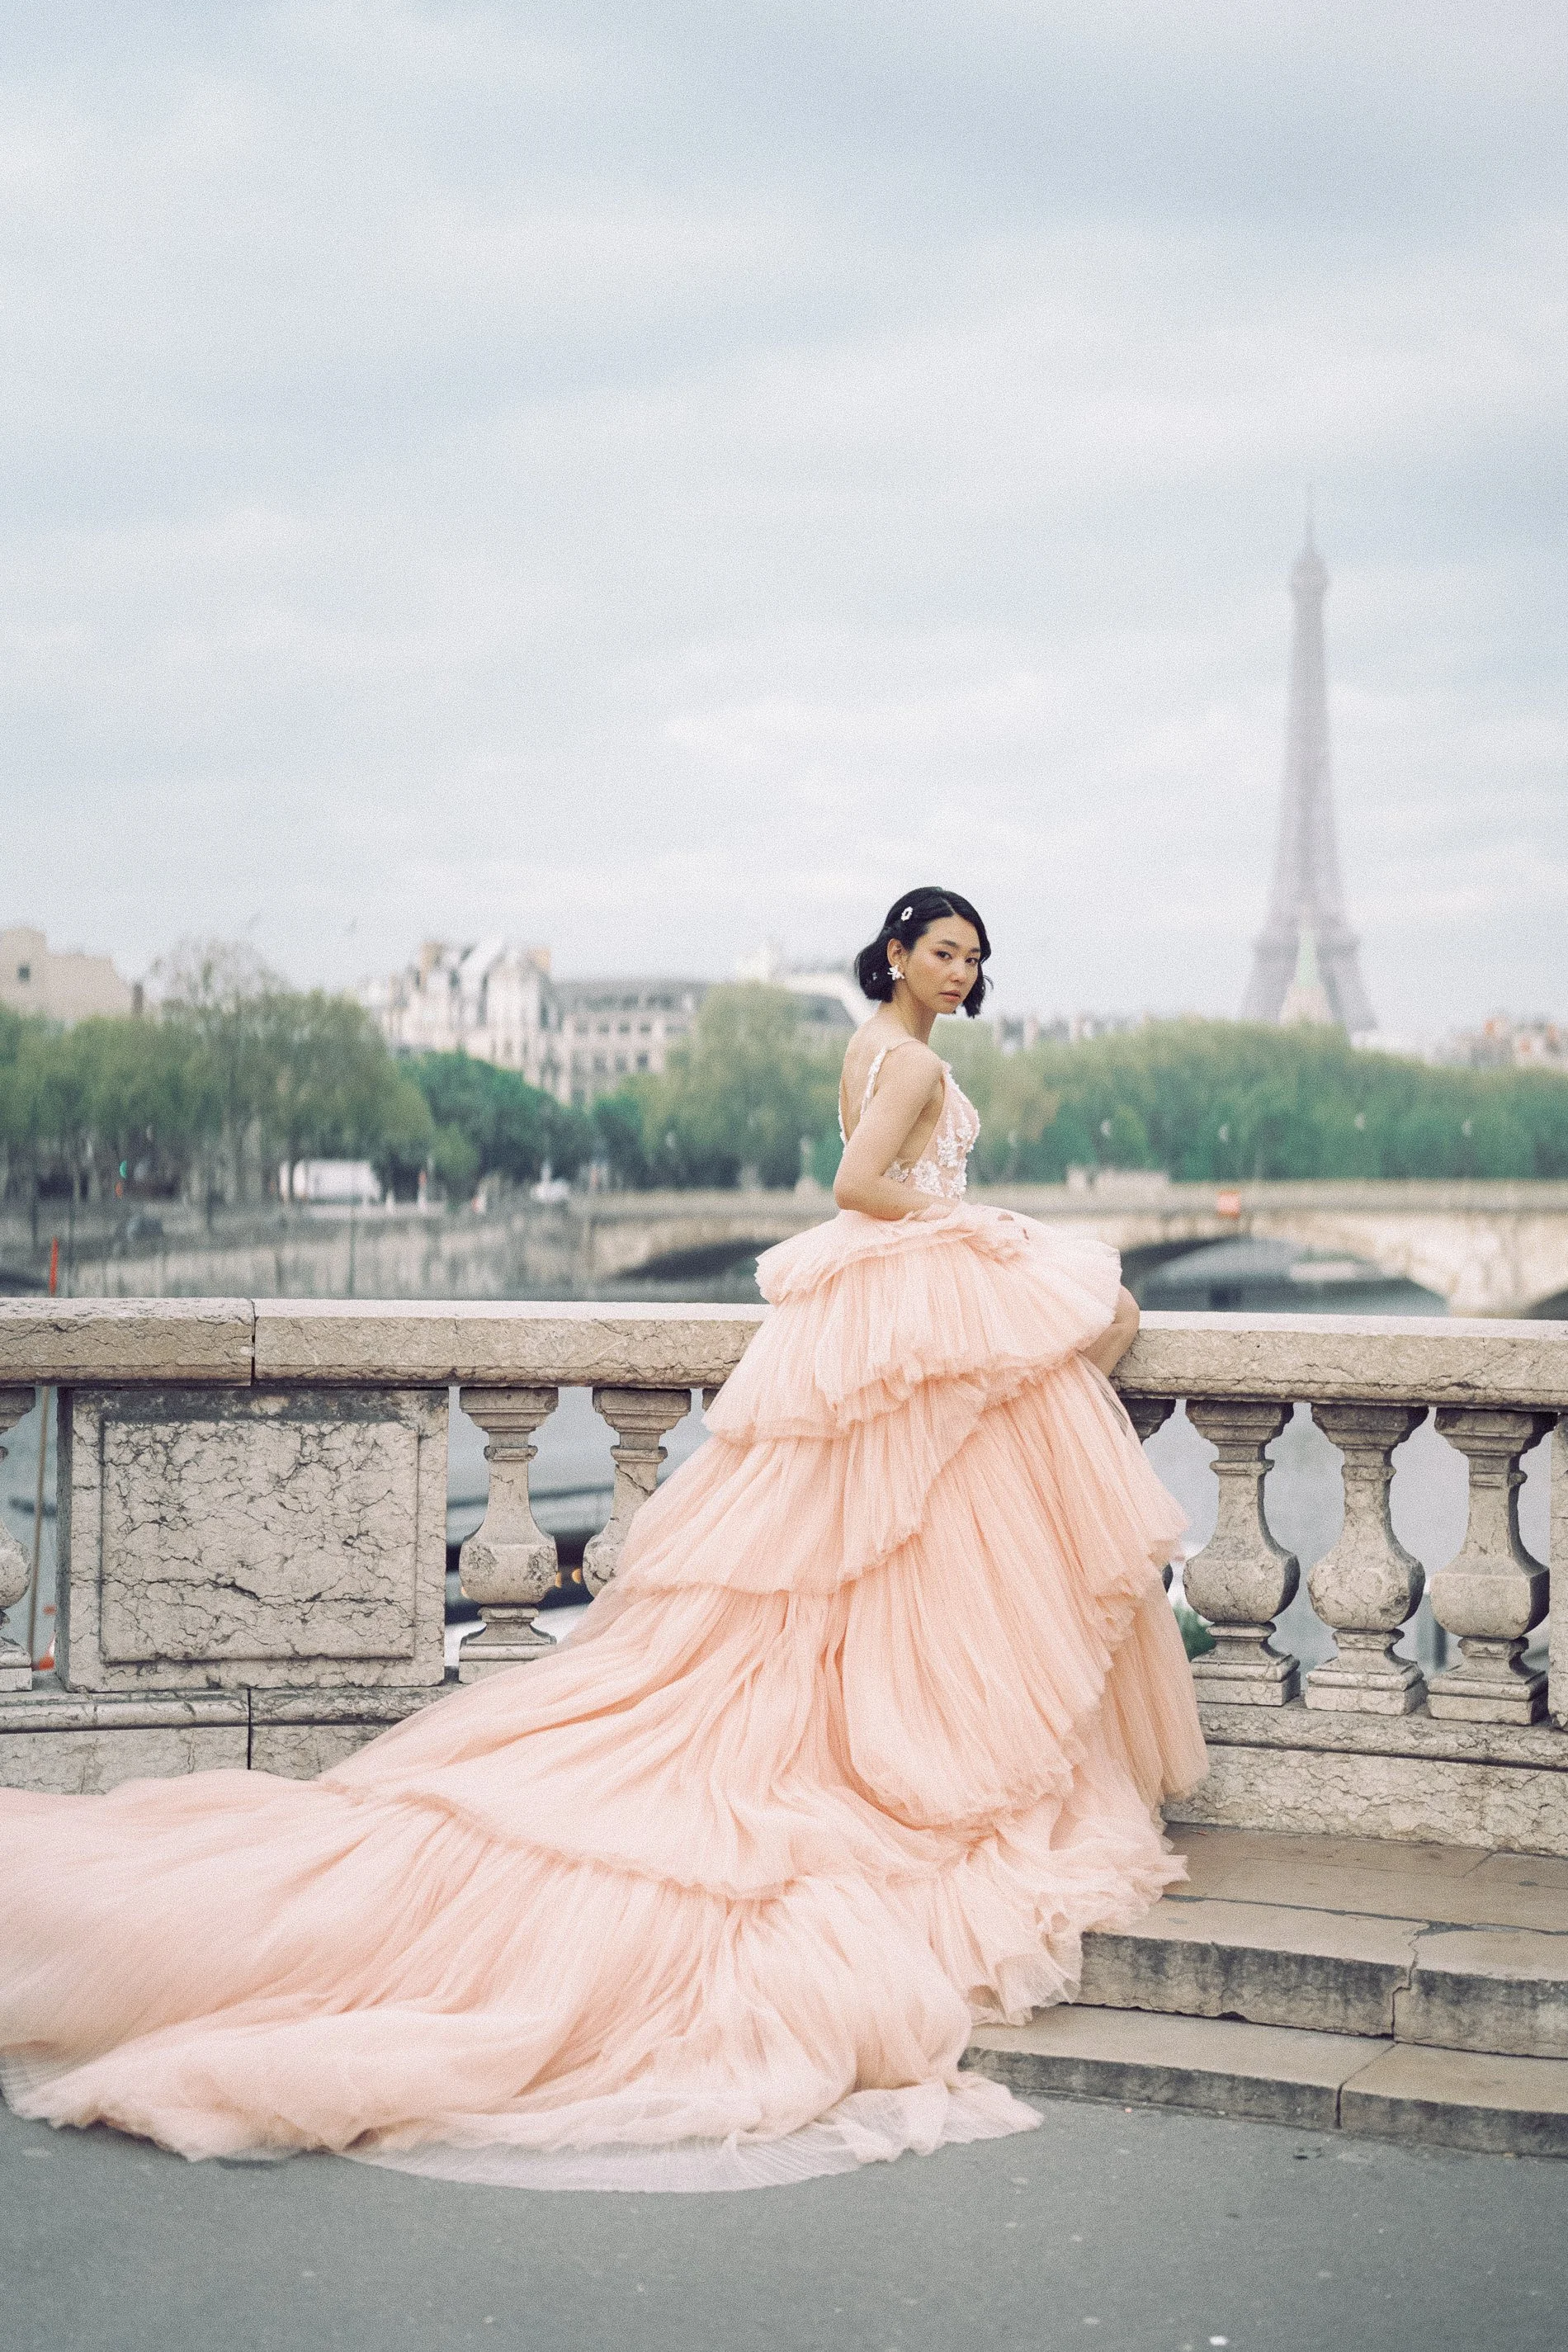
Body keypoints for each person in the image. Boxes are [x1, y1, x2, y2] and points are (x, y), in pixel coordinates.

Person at [0, 887, 1206, 2193]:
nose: (964, 972)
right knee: (1007, 1430)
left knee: (857, 1552)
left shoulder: (866, 1045)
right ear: (901, 955)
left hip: (866, 1314)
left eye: (977, 956)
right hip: (904, 1281)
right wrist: (973, 1227)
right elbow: (860, 1187)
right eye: (945, 951)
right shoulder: (913, 1058)